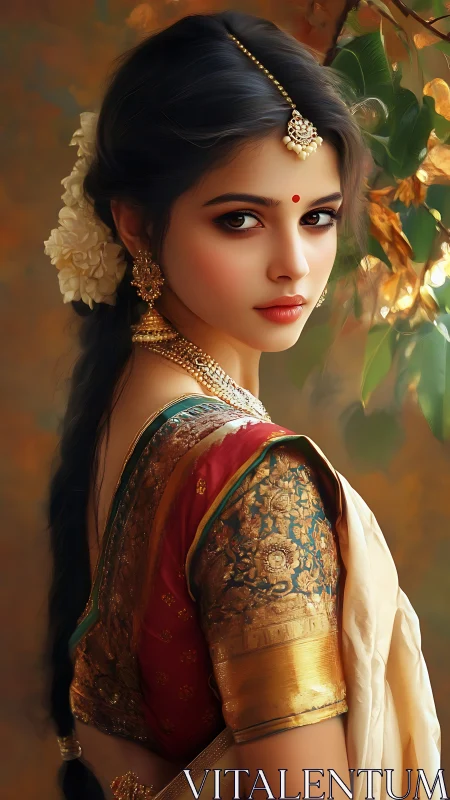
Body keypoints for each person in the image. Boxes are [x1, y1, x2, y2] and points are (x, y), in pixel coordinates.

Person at [44, 10, 441, 800]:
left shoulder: (126, 398)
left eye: (318, 216)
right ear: (135, 226)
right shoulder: (255, 483)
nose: (294, 265)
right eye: (241, 220)